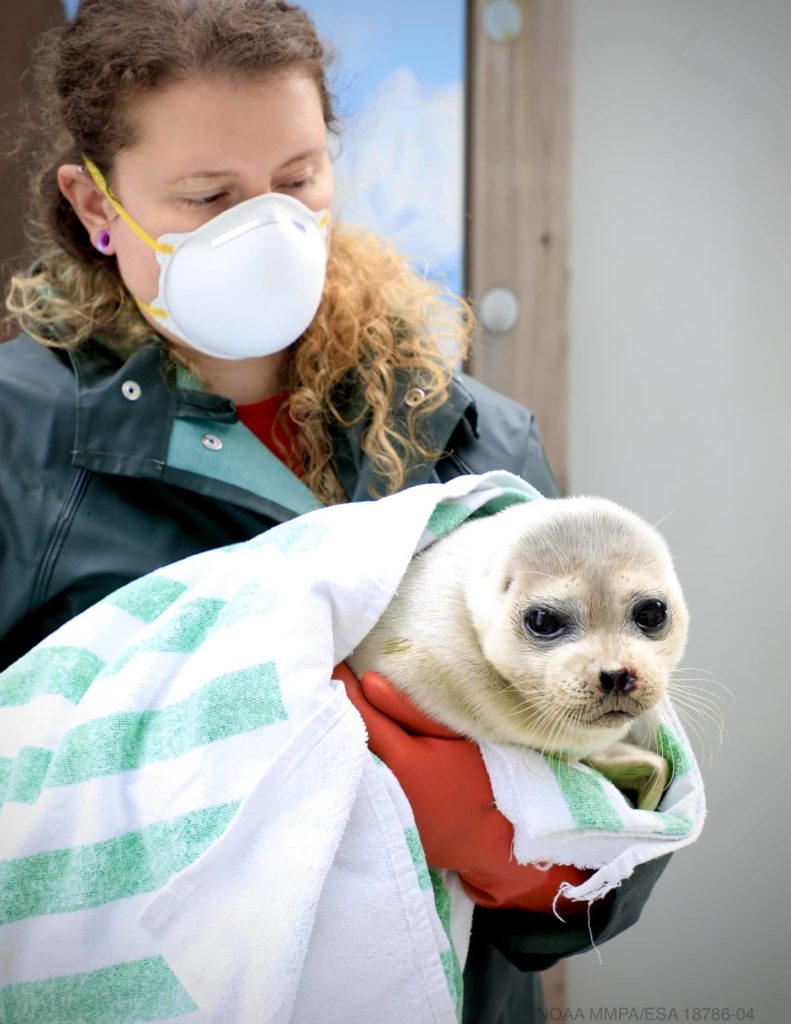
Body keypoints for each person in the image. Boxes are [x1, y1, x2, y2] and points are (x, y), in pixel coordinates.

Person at [0, 1, 671, 1020]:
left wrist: (516, 846)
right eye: (207, 195)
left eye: (296, 179)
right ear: (97, 206)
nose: (264, 226)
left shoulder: (468, 443)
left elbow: (620, 797)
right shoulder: (19, 444)